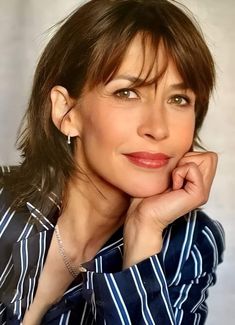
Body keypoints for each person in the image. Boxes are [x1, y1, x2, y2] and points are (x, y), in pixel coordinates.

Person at [0, 0, 225, 324]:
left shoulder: (188, 245)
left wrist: (143, 233)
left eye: (178, 99)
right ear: (67, 112)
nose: (158, 128)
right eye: (128, 93)